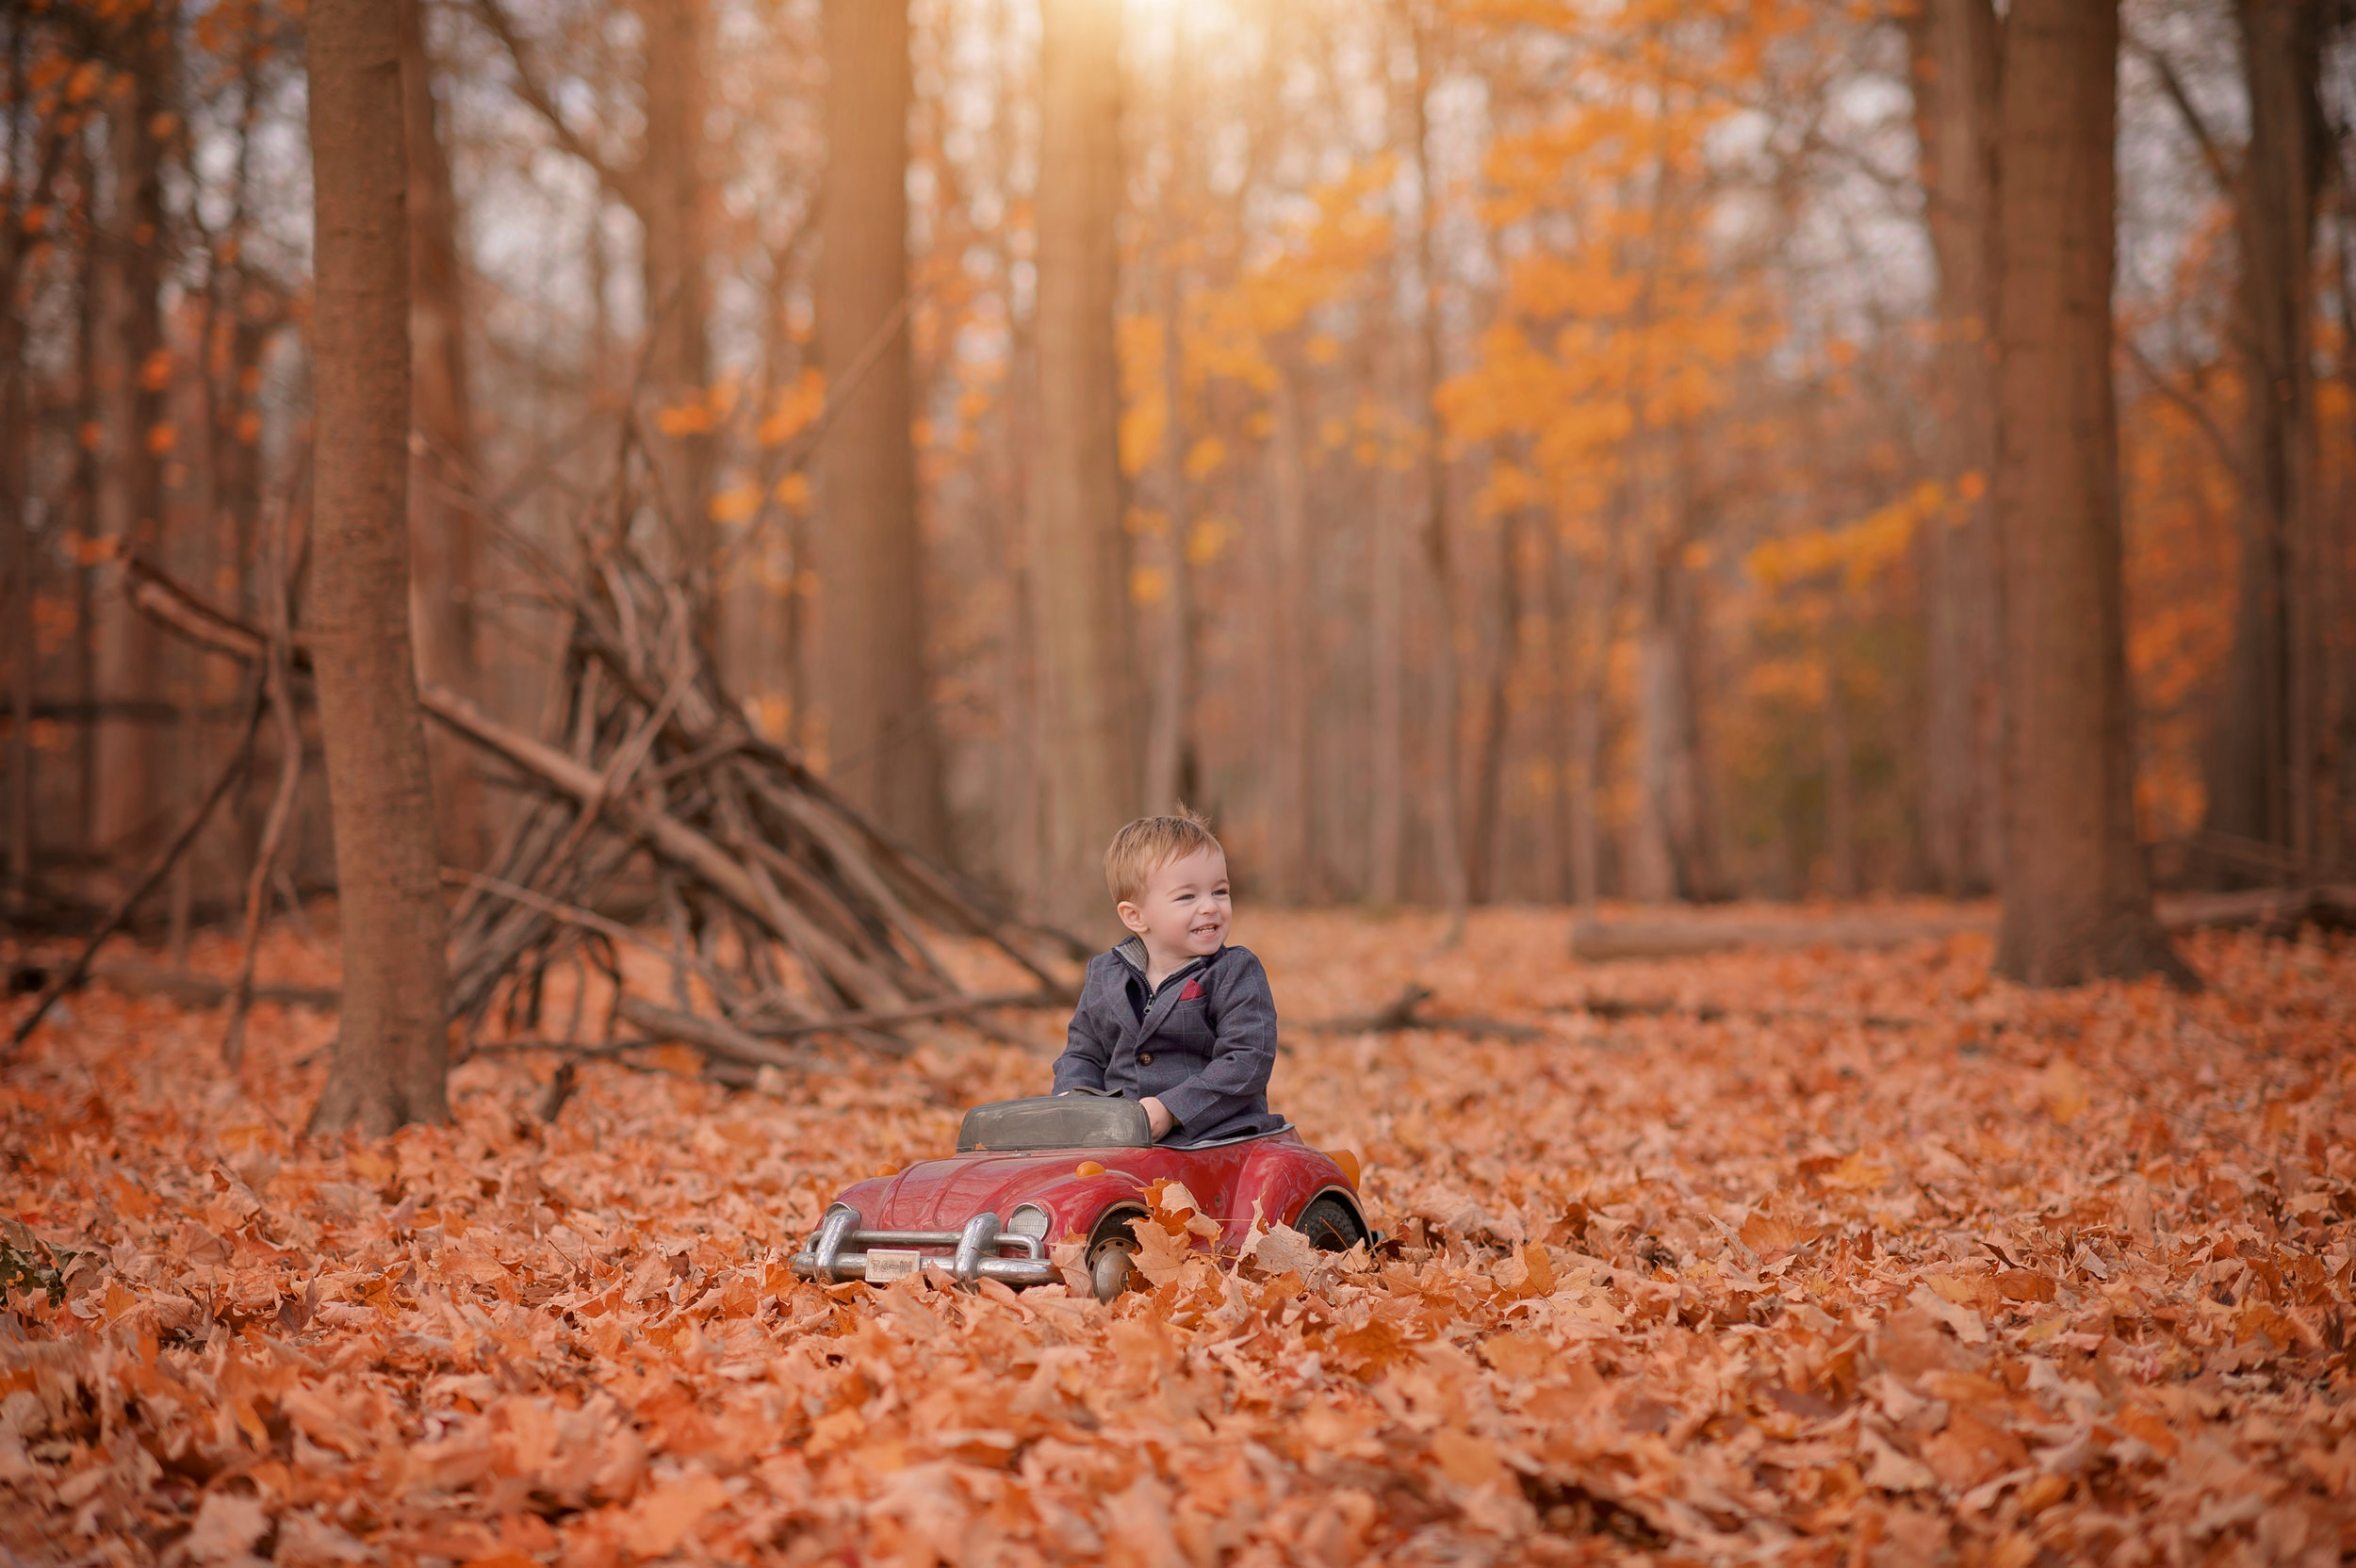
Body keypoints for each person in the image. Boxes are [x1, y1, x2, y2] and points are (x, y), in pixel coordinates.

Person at [1050, 808, 1286, 1147]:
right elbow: (1083, 1053)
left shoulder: (1234, 971)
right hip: (1120, 1138)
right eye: (1188, 896)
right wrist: (1073, 1099)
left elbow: (1247, 1059)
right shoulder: (1104, 976)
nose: (1209, 907)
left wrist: (1172, 1108)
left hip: (1216, 1139)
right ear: (1135, 916)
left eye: (1220, 891)